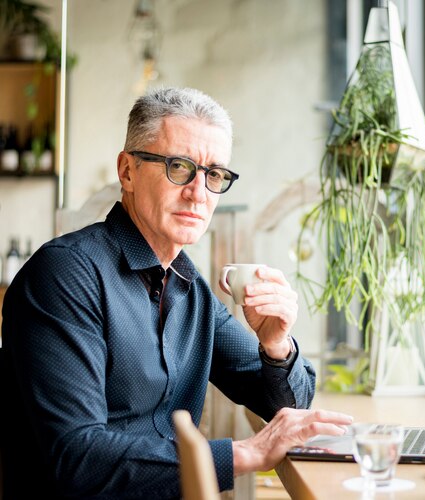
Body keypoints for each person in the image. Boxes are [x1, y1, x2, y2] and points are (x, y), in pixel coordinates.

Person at [0, 87, 352, 499]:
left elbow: (286, 408)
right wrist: (243, 453)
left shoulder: (190, 289)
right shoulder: (64, 274)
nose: (199, 193)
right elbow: (78, 458)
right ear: (127, 171)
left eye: (214, 174)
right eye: (179, 167)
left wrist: (276, 344)